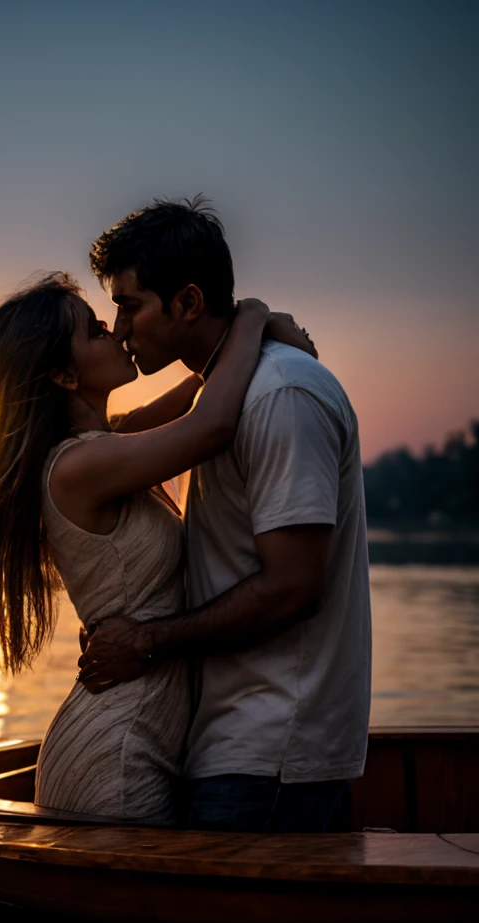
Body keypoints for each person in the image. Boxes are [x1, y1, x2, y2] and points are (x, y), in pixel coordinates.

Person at [0, 272, 313, 825]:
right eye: (94, 330)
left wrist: (257, 337)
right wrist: (251, 316)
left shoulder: (107, 444)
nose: (115, 332)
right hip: (117, 750)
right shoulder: (80, 466)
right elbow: (211, 425)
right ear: (64, 373)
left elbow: (204, 390)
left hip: (138, 731)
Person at [79, 198, 372, 833]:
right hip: (230, 746)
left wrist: (149, 641)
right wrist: (254, 321)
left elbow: (295, 586)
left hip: (272, 753)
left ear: (186, 302)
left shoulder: (279, 395)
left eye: (129, 305)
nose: (119, 327)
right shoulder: (225, 398)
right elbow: (152, 426)